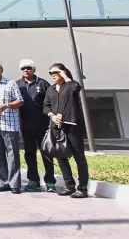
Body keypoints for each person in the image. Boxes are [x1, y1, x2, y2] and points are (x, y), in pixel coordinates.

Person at [44, 63, 89, 199]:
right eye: (50, 72)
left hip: (72, 126)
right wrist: (52, 116)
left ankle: (82, 188)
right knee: (61, 156)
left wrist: (65, 76)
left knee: (78, 156)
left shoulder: (70, 86)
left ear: (63, 72)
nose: (53, 74)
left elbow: (77, 87)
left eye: (56, 72)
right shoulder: (50, 89)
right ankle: (69, 186)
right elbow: (46, 106)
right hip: (57, 127)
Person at [16, 59, 56, 193]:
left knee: (47, 153)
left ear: (34, 69)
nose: (26, 70)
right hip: (25, 126)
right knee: (29, 154)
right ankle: (33, 181)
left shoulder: (43, 83)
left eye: (28, 68)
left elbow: (51, 101)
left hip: (43, 125)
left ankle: (50, 182)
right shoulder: (17, 84)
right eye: (23, 69)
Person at [0, 61, 24, 194]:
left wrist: (6, 105)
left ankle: (14, 184)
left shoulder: (10, 83)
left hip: (9, 125)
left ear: (1, 70)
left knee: (13, 154)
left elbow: (20, 101)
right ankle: (3, 182)